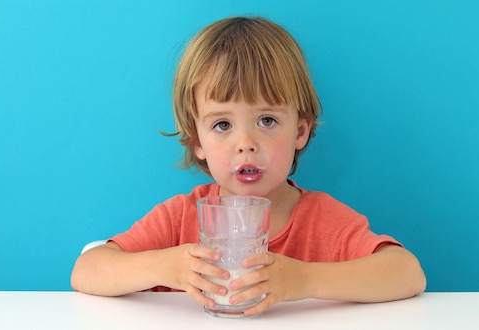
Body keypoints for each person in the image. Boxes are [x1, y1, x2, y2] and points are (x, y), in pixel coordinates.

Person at [70, 16, 426, 316]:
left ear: (300, 131)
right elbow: (87, 270)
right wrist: (167, 267)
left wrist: (303, 280)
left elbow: (407, 273)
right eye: (222, 125)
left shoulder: (322, 220)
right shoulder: (180, 218)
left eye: (267, 120)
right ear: (198, 142)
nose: (246, 143)